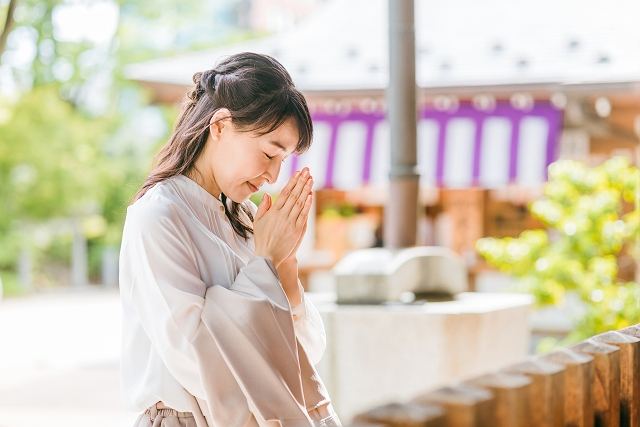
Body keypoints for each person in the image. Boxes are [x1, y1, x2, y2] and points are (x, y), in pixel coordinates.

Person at [119, 52, 340, 427]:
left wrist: (283, 268)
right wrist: (263, 265)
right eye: (269, 152)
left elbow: (306, 351)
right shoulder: (159, 216)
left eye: (283, 160)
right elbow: (193, 354)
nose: (272, 175)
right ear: (220, 125)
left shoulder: (246, 219)